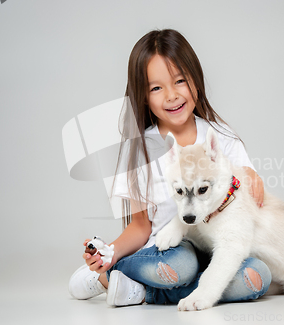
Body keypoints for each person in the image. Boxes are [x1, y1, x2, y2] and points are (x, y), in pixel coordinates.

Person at [69, 29, 271, 307]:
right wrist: (110, 254)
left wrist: (252, 176)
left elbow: (248, 190)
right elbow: (140, 227)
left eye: (179, 81)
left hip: (219, 247)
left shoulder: (221, 138)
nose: (172, 95)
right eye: (156, 88)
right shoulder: (140, 149)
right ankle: (108, 276)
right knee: (183, 265)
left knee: (257, 276)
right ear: (143, 97)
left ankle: (143, 291)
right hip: (170, 252)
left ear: (196, 82)